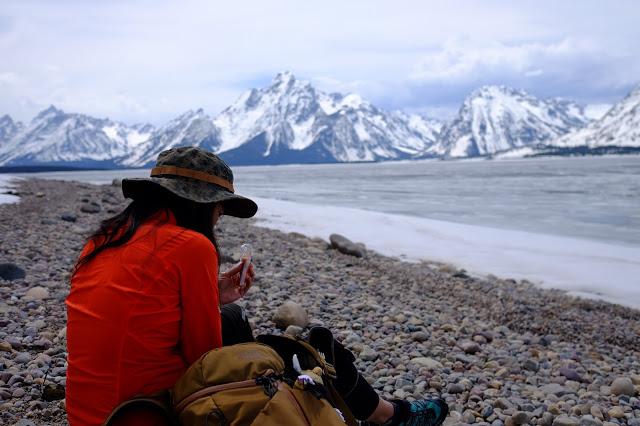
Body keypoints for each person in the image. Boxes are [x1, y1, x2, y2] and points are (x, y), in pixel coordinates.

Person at [65, 147, 448, 426]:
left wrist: (214, 295)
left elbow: (144, 315)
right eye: (219, 208)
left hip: (90, 412)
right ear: (199, 205)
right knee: (306, 347)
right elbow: (205, 357)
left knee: (232, 316)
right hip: (148, 414)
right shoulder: (190, 245)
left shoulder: (106, 240)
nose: (219, 218)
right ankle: (388, 416)